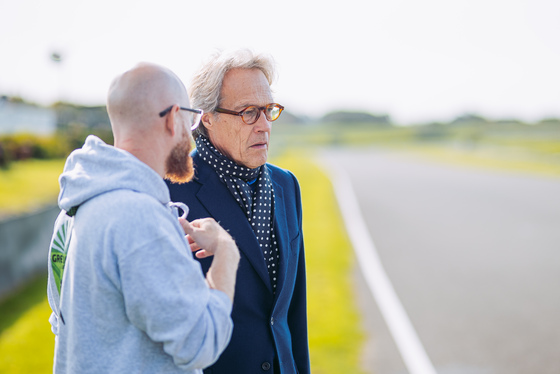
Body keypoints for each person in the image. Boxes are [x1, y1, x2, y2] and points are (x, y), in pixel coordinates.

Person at [46, 62, 240, 374]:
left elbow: (64, 319)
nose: (191, 140)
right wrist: (227, 251)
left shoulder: (71, 213)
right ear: (173, 118)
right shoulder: (140, 219)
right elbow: (201, 342)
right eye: (191, 122)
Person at [167, 49, 310, 374]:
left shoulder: (286, 185)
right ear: (207, 117)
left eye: (268, 110)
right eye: (248, 112)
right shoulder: (169, 189)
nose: (264, 126)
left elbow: (292, 312)